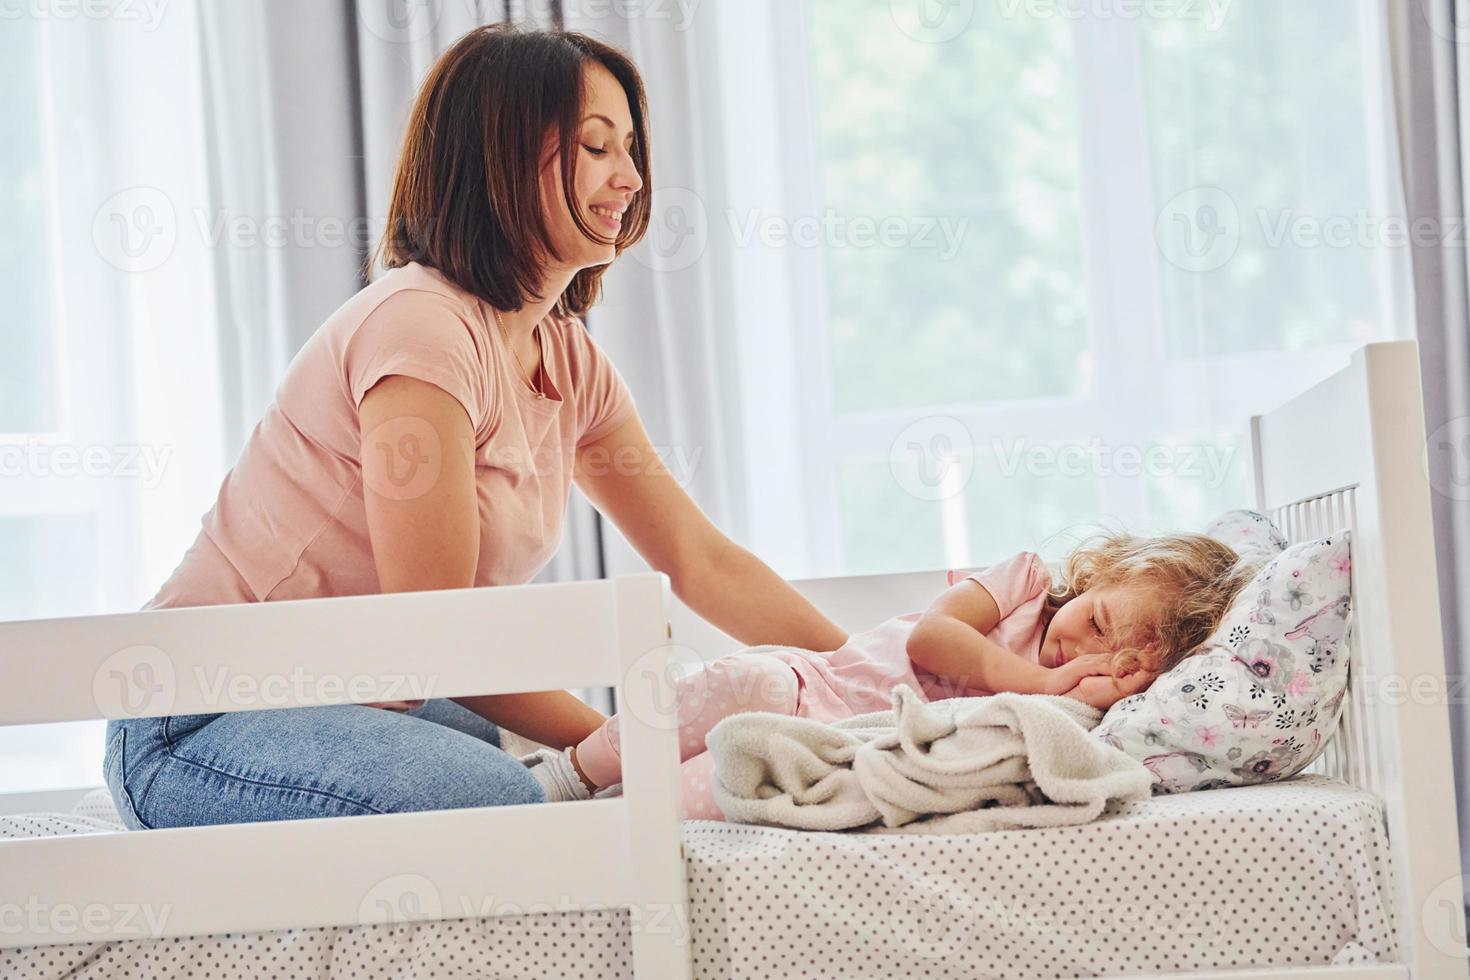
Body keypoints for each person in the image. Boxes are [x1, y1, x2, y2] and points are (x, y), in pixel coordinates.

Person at [102, 24, 847, 831]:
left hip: (358, 706)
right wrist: (629, 745)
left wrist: (868, 682)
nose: (630, 177)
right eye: (598, 147)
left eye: (630, 146)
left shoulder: (565, 357)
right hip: (199, 719)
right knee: (504, 801)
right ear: (500, 161)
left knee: (515, 779)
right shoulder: (420, 326)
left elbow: (702, 562)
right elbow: (440, 622)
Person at [526, 531, 1261, 819]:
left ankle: (602, 822)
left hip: (842, 748)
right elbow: (934, 639)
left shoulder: (1079, 705)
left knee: (717, 786)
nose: (1081, 653)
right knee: (735, 686)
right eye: (1095, 621)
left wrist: (1094, 694)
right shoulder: (1027, 583)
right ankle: (573, 775)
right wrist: (1030, 680)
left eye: (1118, 660)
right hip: (820, 685)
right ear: (1095, 578)